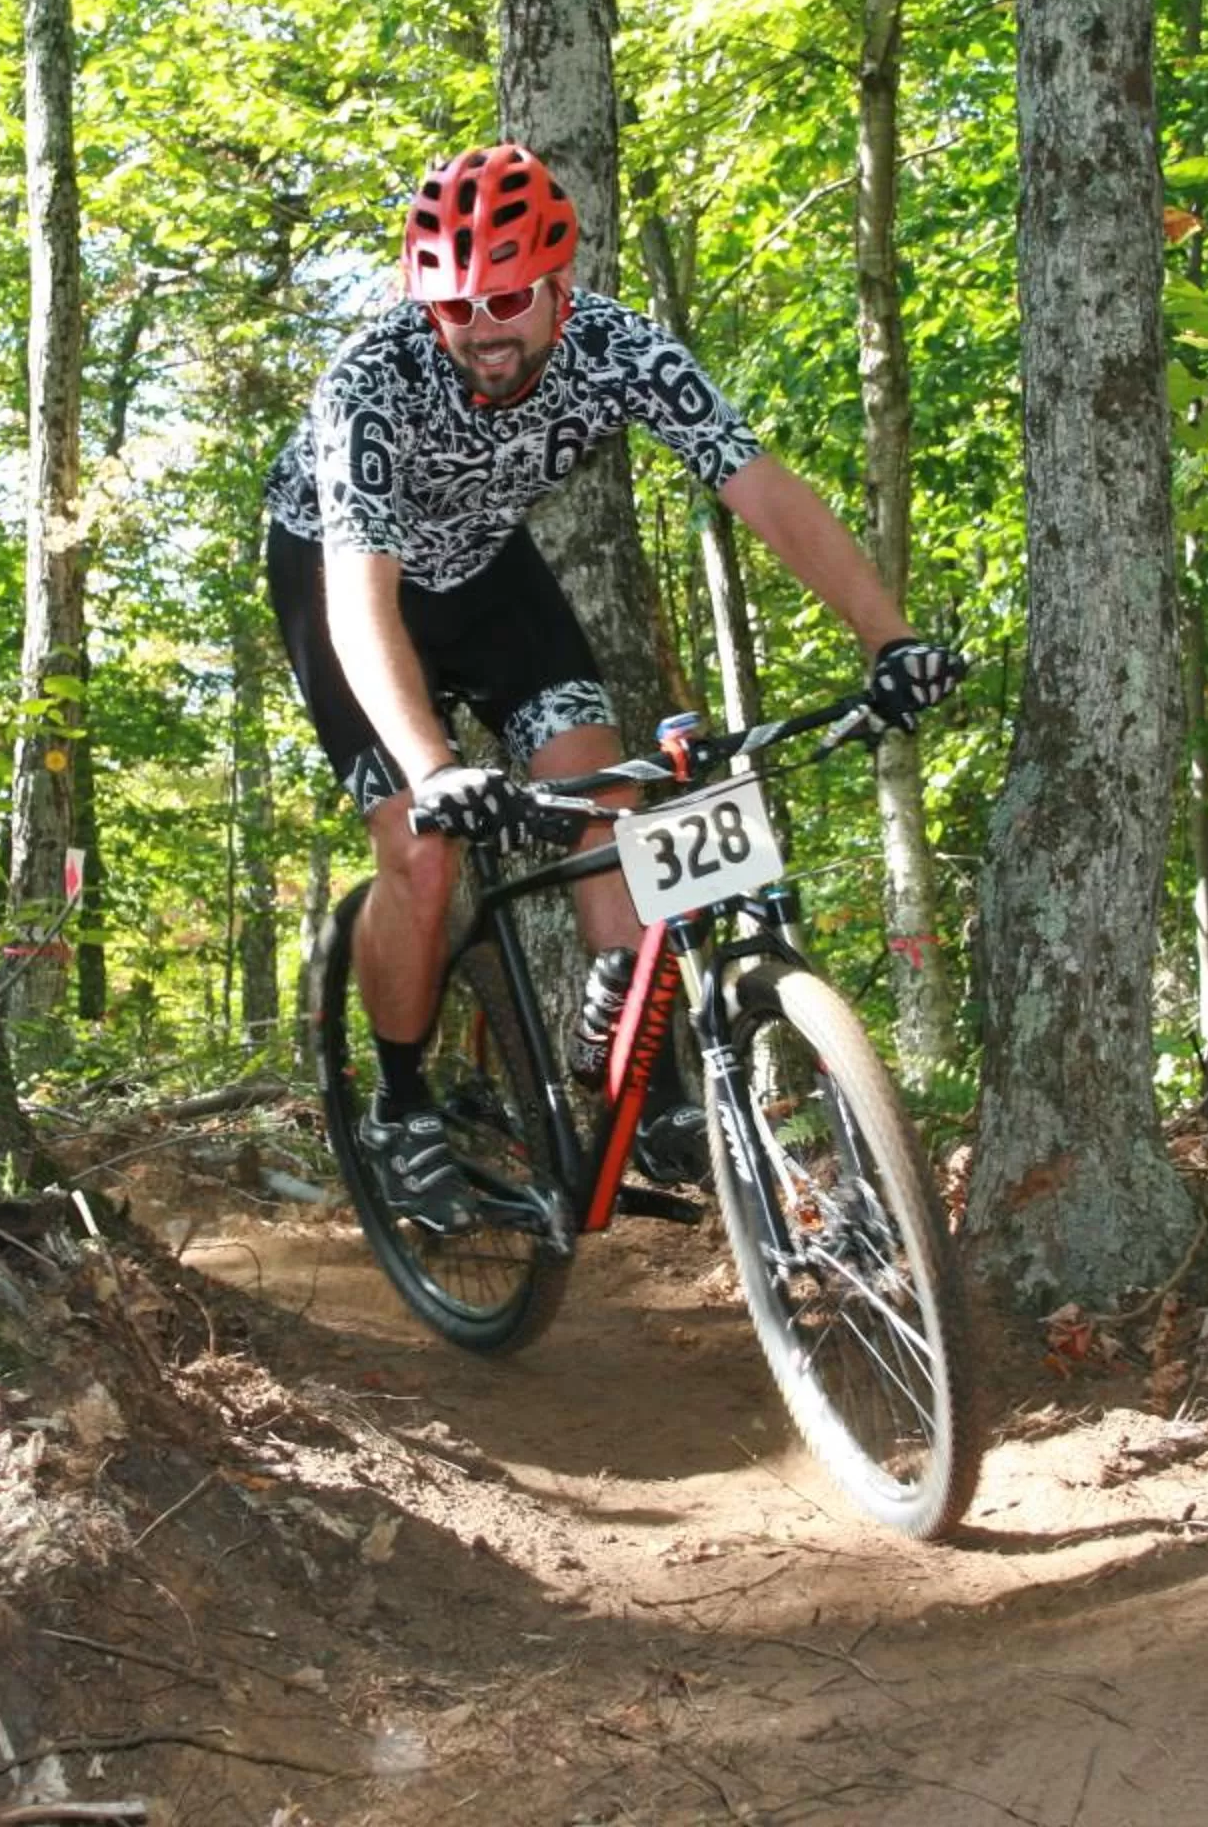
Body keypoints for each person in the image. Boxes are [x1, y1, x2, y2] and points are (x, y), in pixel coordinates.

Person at [264, 141, 964, 1229]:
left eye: (505, 297)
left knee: (611, 798)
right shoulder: (370, 377)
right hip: (348, 577)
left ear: (559, 281)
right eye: (451, 306)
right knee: (421, 847)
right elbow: (363, 597)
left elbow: (760, 486)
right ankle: (399, 1108)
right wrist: (437, 766)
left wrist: (890, 639)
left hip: (488, 565)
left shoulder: (622, 346)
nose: (480, 330)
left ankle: (649, 1082)